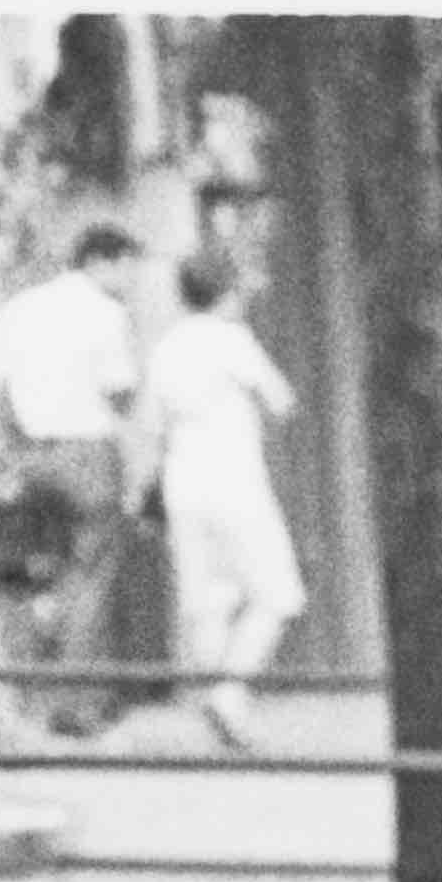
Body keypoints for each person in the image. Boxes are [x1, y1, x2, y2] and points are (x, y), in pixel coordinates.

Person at [0, 214, 144, 722]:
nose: (129, 281)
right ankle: (78, 704)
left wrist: (2, 458)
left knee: (23, 577)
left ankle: (25, 698)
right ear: (100, 262)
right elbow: (120, 389)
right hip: (87, 454)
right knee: (89, 577)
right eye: (126, 268)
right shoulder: (105, 313)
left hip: (27, 456)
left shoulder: (19, 307)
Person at [139, 250, 303, 742]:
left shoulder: (167, 346)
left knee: (205, 596)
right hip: (236, 480)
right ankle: (228, 698)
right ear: (225, 293)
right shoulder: (232, 340)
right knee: (278, 593)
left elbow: (152, 424)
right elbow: (281, 400)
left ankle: (214, 699)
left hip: (183, 482)